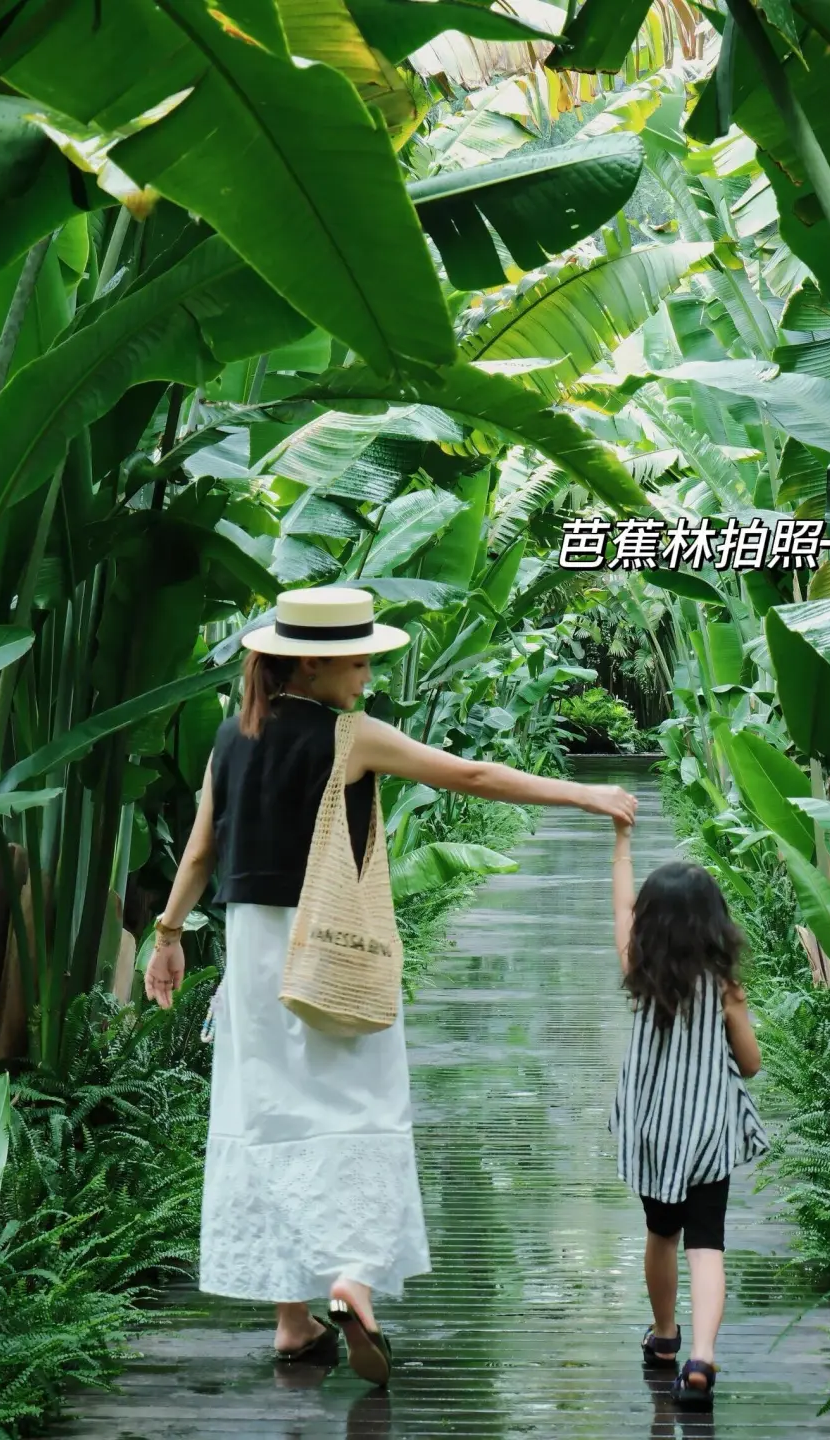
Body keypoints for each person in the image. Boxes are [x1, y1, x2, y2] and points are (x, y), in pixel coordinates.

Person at [143, 585, 638, 1388]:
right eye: (359, 659)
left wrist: (167, 937)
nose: (369, 673)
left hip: (254, 952)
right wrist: (583, 793)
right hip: (335, 948)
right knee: (361, 1110)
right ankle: (353, 1280)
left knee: (266, 1115)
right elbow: (469, 774)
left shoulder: (231, 739)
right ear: (311, 661)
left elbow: (199, 854)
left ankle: (293, 1323)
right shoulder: (350, 737)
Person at [608, 820, 768, 1410]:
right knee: (708, 1246)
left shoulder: (638, 973)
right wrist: (736, 1013)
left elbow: (623, 906)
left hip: (655, 1132)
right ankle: (702, 1357)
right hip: (709, 1135)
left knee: (661, 1235)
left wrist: (621, 844)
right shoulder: (725, 988)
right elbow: (750, 1066)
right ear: (714, 927)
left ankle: (666, 1338)